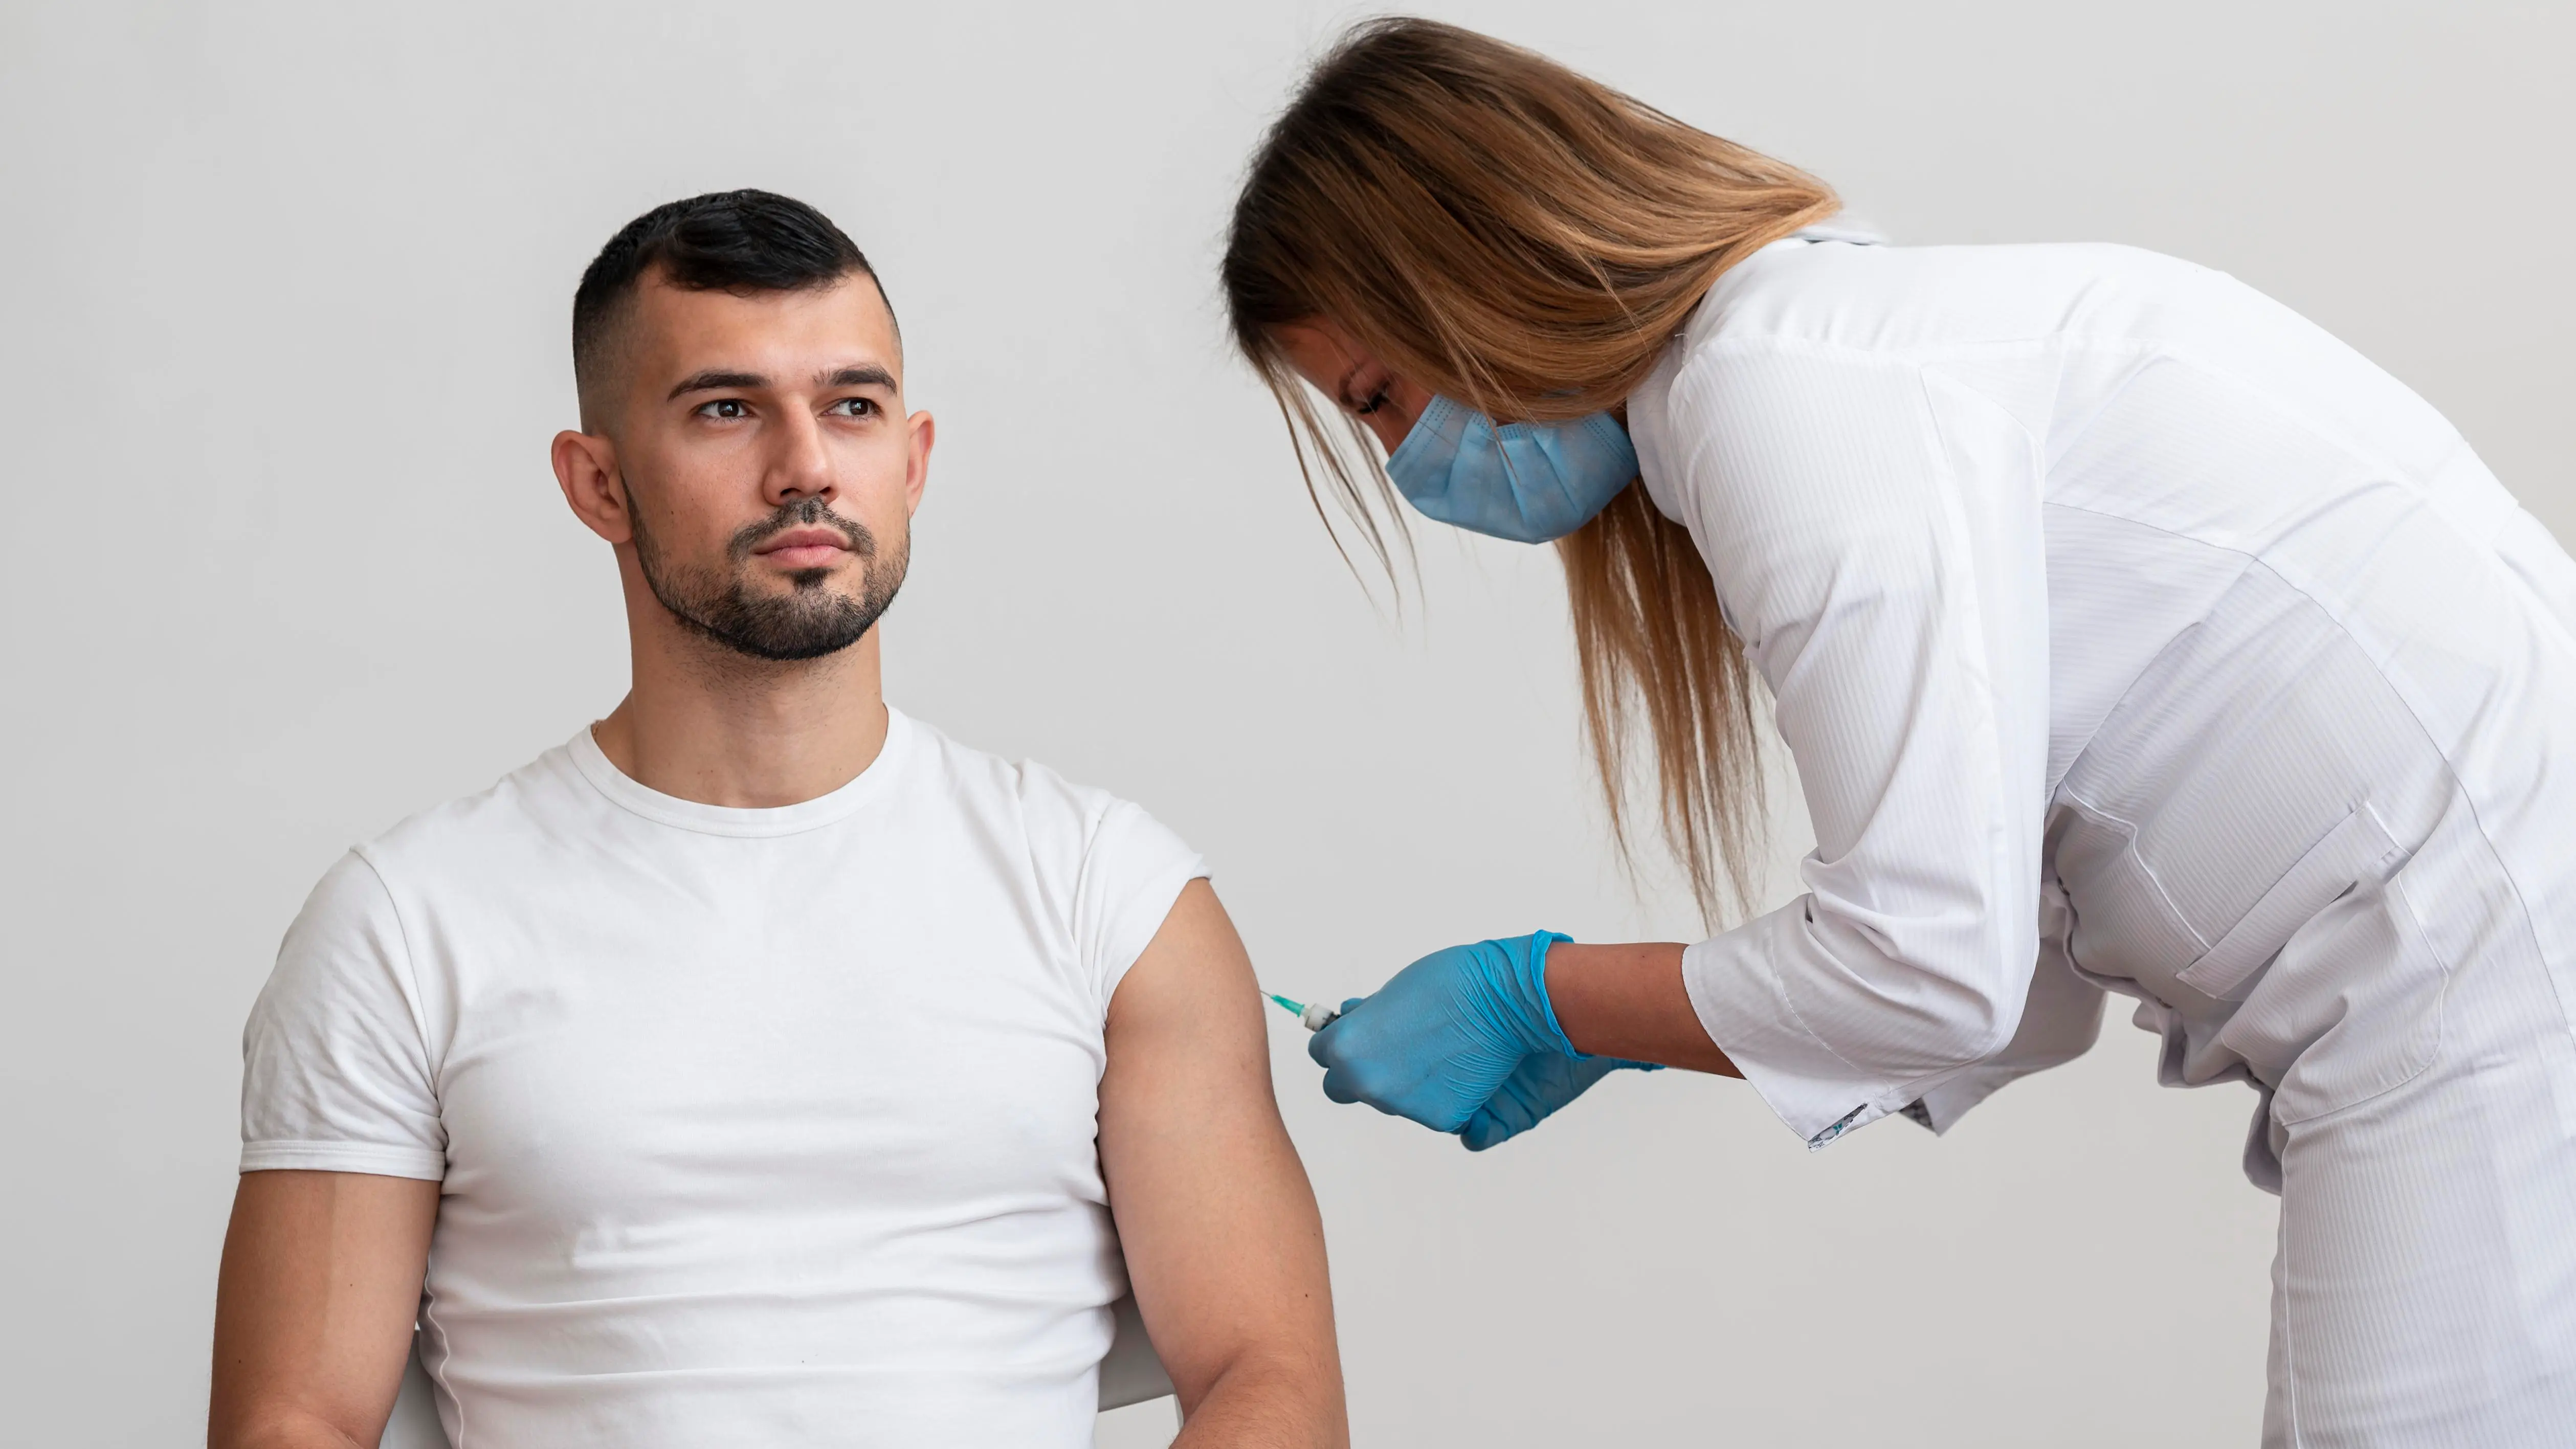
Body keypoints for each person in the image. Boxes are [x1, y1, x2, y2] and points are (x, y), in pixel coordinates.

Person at [1222, 17, 2576, 1445]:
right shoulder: (1811, 360)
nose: (1405, 468)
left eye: (1379, 400)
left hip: (2479, 965)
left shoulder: (1788, 399)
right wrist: (1632, 1033)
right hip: (2459, 955)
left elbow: (1932, 967)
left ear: (1475, 272)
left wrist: (1544, 998)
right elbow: (2018, 980)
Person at [209, 190, 1345, 1449]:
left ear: (911, 465)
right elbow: (292, 1419)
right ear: (598, 486)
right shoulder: (402, 925)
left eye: (850, 407)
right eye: (726, 409)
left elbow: (1268, 1379)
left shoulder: (1110, 895)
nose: (805, 464)